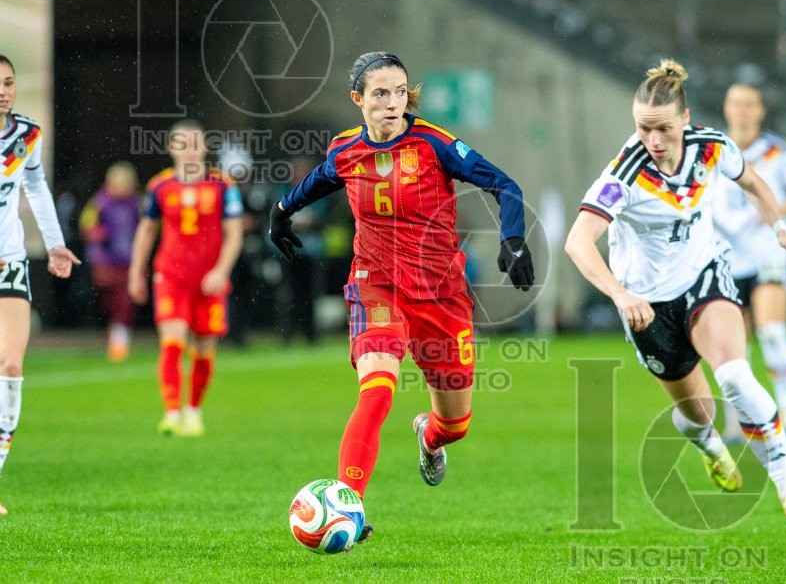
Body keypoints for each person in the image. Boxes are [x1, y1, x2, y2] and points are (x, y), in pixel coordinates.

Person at [269, 51, 534, 545]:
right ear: (359, 100)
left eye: (399, 92)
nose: (393, 104)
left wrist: (513, 238)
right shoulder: (346, 149)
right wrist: (281, 212)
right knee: (377, 390)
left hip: (440, 294)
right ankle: (349, 504)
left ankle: (429, 437)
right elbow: (322, 179)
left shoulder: (435, 143)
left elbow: (504, 184)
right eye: (380, 94)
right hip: (376, 285)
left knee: (455, 424)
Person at [565, 59, 786, 533]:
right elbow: (578, 242)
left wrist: (781, 231)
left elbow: (752, 182)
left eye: (663, 128)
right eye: (643, 129)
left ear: (685, 120)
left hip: (705, 276)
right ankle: (709, 446)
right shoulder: (624, 174)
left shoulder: (712, 148)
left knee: (735, 374)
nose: (654, 140)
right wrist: (621, 295)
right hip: (648, 306)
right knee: (699, 415)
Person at [0, 54, 81, 515]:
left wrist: (54, 245)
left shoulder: (27, 134)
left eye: (10, 82)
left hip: (9, 263)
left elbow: (36, 187)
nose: (4, 90)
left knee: (10, 366)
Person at [712, 84, 786, 443]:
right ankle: (737, 422)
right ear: (727, 109)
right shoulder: (712, 150)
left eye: (749, 104)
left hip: (767, 253)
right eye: (736, 103)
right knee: (733, 346)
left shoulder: (777, 151)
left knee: (772, 331)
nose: (742, 110)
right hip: (725, 258)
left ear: (760, 111)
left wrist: (773, 214)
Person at [128, 120, 243, 437]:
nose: (190, 151)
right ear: (171, 149)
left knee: (204, 347)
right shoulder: (160, 187)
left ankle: (194, 411)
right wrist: (136, 270)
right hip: (171, 275)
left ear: (204, 148)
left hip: (209, 279)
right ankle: (171, 412)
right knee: (173, 342)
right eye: (183, 144)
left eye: (195, 144)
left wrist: (221, 270)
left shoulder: (223, 185)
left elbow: (234, 234)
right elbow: (147, 230)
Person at [80, 161, 142, 361]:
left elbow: (146, 228)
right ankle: (112, 335)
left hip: (130, 261)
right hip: (107, 261)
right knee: (110, 301)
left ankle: (120, 340)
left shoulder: (136, 202)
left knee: (125, 301)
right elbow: (87, 226)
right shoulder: (99, 201)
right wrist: (98, 257)